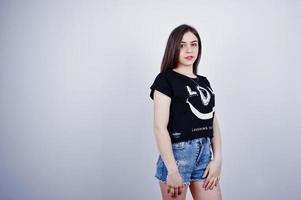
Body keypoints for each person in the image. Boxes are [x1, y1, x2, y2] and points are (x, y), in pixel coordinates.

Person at [149, 24, 223, 200]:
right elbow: (159, 127)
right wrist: (172, 170)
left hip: (205, 155)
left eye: (194, 44)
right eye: (182, 45)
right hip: (177, 156)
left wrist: (218, 159)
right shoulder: (165, 80)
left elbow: (212, 121)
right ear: (173, 47)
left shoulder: (204, 81)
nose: (189, 50)